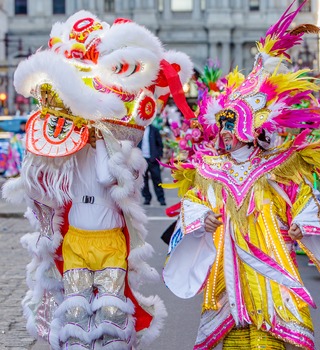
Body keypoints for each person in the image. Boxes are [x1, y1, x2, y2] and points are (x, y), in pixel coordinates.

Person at [162, 2, 320, 349]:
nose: (224, 133)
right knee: (234, 338)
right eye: (221, 125)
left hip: (270, 265)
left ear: (250, 128)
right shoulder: (210, 169)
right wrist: (201, 217)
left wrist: (302, 225)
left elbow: (302, 198)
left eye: (231, 125)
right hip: (227, 267)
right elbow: (193, 201)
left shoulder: (277, 165)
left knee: (268, 339)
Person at [1, 11, 195, 349]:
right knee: (75, 313)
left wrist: (104, 141)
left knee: (110, 314)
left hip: (109, 244)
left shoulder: (109, 156)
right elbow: (42, 187)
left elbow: (110, 178)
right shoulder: (67, 161)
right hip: (76, 242)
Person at [139, 124, 166, 206]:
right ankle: (147, 198)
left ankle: (161, 198)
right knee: (143, 180)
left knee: (157, 179)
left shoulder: (154, 130)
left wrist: (158, 155)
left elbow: (159, 143)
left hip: (153, 159)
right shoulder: (138, 130)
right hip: (142, 158)